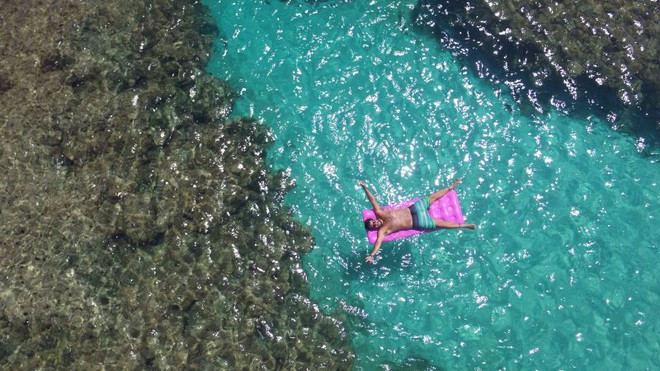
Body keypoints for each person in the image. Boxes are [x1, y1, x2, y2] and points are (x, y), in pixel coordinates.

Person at [359, 178, 476, 263]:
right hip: (418, 221)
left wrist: (365, 187)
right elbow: (378, 242)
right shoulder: (383, 230)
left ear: (374, 219)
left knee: (432, 197)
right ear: (375, 228)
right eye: (374, 226)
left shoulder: (380, 212)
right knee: (441, 224)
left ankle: (451, 186)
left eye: (373, 221)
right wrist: (372, 255)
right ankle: (464, 225)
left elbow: (373, 200)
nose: (375, 223)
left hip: (413, 209)